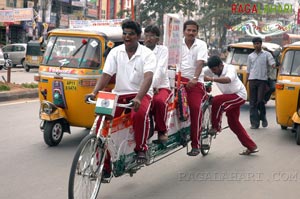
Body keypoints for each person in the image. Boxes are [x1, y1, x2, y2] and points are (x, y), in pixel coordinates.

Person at [86, 19, 157, 165]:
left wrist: (138, 98)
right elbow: (106, 75)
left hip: (140, 93)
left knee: (139, 115)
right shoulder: (115, 52)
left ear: (138, 36)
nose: (127, 37)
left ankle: (141, 148)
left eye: (131, 34)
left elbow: (148, 77)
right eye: (125, 34)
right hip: (119, 93)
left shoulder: (147, 54)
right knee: (102, 121)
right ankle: (103, 164)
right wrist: (94, 92)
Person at [204, 55, 259, 155]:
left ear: (221, 65)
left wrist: (211, 79)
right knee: (233, 124)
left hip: (239, 95)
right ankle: (251, 146)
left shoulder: (230, 68)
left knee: (217, 101)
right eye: (211, 70)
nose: (213, 72)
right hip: (229, 96)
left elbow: (228, 79)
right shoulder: (211, 69)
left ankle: (215, 127)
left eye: (215, 69)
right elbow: (199, 73)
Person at [180, 20, 208, 156]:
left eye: (193, 31)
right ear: (183, 31)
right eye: (188, 30)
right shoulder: (176, 43)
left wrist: (195, 78)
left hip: (195, 83)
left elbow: (200, 63)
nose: (191, 33)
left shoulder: (201, 44)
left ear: (197, 32)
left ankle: (196, 144)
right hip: (178, 81)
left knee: (195, 109)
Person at [144, 25, 172, 142]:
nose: (148, 39)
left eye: (151, 36)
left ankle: (161, 131)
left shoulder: (163, 50)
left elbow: (160, 69)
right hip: (144, 87)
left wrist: (151, 86)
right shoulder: (140, 50)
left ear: (157, 39)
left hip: (161, 86)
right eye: (146, 36)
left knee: (159, 102)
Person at [246, 37, 275, 129]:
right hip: (252, 80)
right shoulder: (250, 56)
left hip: (262, 80)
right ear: (253, 45)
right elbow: (248, 70)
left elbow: (273, 64)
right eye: (255, 44)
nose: (256, 45)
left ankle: (263, 116)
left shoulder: (267, 54)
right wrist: (246, 82)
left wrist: (275, 63)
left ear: (261, 44)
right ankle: (254, 123)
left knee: (260, 101)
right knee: (252, 103)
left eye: (258, 43)